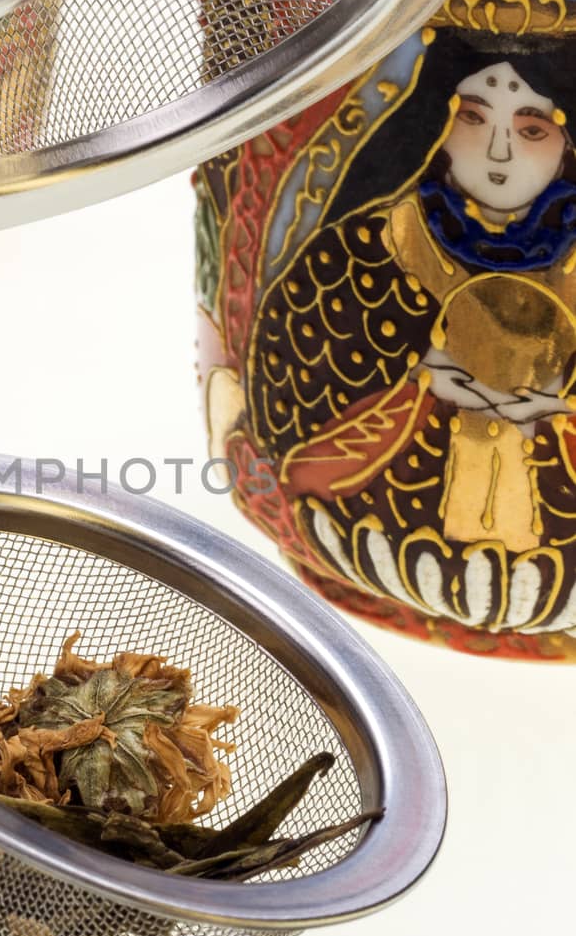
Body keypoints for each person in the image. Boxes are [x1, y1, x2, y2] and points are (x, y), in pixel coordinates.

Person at [247, 32, 576, 634]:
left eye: (531, 130)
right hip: (369, 530)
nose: (499, 153)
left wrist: (557, 405)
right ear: (437, 122)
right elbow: (302, 408)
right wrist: (421, 384)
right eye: (474, 121)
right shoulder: (369, 249)